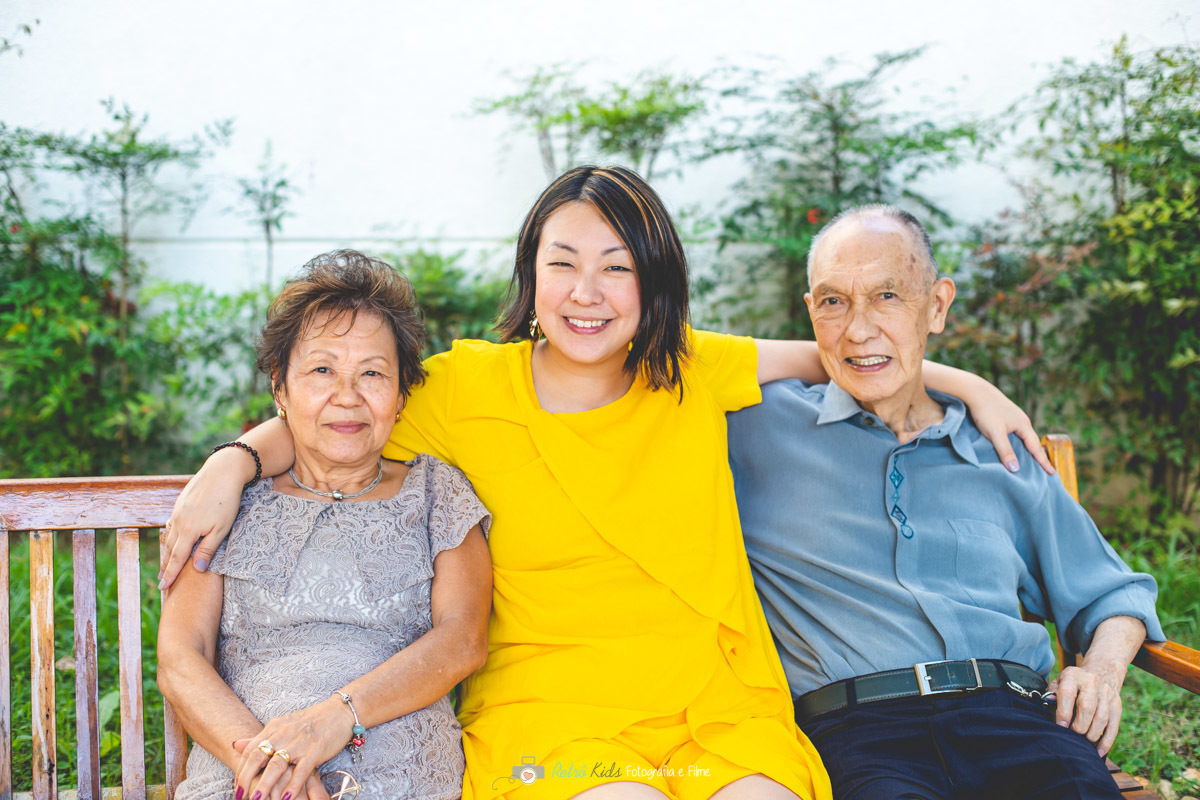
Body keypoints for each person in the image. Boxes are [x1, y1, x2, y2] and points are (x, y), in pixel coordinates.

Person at [160, 167, 1050, 800]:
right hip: (553, 706)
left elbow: (851, 354)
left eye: (617, 265)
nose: (587, 292)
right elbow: (340, 411)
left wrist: (963, 382)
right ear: (532, 272)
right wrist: (232, 462)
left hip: (714, 699)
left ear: (652, 280)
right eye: (564, 262)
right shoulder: (470, 388)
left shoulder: (692, 368)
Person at [727, 205, 1166, 800]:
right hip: (855, 734)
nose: (858, 329)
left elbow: (1113, 593)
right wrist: (965, 378)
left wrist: (1102, 672)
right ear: (810, 312)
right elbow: (645, 355)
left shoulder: (1000, 453)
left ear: (936, 306)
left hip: (1018, 720)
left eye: (887, 296)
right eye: (833, 302)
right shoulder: (755, 427)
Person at [157, 251, 493, 800]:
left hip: (400, 773)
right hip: (245, 770)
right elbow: (179, 656)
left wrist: (334, 718)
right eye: (321, 370)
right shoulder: (233, 500)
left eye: (373, 373)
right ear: (279, 389)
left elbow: (462, 641)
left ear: (403, 395)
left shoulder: (437, 493)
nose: (347, 395)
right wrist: (269, 764)